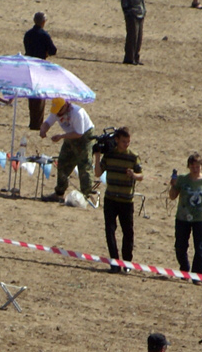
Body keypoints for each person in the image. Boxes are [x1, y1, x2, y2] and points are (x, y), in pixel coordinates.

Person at [97, 127, 142, 269]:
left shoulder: (133, 156)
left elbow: (141, 175)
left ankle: (127, 262)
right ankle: (114, 262)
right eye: (124, 141)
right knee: (110, 230)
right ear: (117, 140)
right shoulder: (109, 155)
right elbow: (98, 172)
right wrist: (97, 156)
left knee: (128, 232)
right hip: (111, 198)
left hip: (126, 200)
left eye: (128, 142)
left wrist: (134, 175)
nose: (126, 144)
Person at [168, 153, 202, 275]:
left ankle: (197, 275)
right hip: (182, 218)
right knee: (180, 246)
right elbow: (172, 197)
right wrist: (173, 185)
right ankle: (184, 268)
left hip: (200, 218)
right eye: (192, 167)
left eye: (197, 167)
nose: (195, 169)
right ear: (188, 167)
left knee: (200, 248)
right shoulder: (182, 179)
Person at [41, 97, 95, 202]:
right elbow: (48, 122)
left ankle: (86, 195)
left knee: (84, 165)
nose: (57, 114)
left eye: (59, 111)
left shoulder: (77, 113)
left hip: (84, 137)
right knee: (62, 163)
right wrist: (43, 129)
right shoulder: (56, 112)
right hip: (69, 137)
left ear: (65, 106)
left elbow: (79, 133)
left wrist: (61, 136)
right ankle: (59, 193)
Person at [23, 12, 57, 132]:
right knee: (40, 94)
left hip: (29, 64)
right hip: (40, 65)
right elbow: (53, 50)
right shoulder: (44, 35)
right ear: (43, 22)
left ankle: (33, 121)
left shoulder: (28, 34)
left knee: (32, 94)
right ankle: (37, 123)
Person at [121, 0, 146, 65]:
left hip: (140, 16)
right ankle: (129, 58)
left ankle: (136, 57)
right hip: (132, 17)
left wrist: (143, 12)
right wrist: (129, 14)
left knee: (138, 38)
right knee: (132, 37)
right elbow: (124, 3)